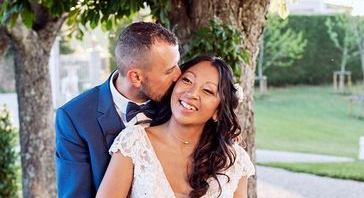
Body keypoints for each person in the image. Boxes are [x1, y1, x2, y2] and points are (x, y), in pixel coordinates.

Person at [96, 55, 254, 198]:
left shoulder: (235, 162)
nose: (192, 93)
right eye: (187, 80)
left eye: (207, 90)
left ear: (218, 112)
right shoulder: (133, 142)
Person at [55, 21, 181, 198]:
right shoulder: (74, 118)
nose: (179, 75)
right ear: (135, 77)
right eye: (169, 71)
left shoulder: (179, 104)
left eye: (177, 64)